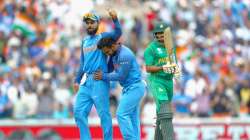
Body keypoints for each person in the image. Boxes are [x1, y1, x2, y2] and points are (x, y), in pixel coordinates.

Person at [73, 9, 122, 140]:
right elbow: (83, 63)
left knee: (104, 114)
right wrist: (77, 80)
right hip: (86, 81)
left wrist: (115, 19)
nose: (89, 25)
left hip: (99, 79)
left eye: (92, 22)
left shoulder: (103, 37)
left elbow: (118, 33)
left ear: (98, 24)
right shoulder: (84, 41)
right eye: (87, 23)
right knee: (78, 112)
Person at [94, 37, 145, 140]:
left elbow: (121, 76)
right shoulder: (115, 53)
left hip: (135, 87)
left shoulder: (125, 55)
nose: (107, 54)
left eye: (107, 51)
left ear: (113, 46)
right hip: (129, 88)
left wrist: (103, 76)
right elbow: (109, 68)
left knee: (121, 114)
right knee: (133, 117)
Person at [144, 22, 180, 140]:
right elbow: (148, 68)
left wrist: (176, 71)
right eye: (158, 34)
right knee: (164, 106)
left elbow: (174, 63)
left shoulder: (171, 47)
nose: (160, 36)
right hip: (157, 80)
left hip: (168, 81)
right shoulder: (150, 49)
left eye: (162, 34)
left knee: (162, 111)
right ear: (155, 35)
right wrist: (162, 67)